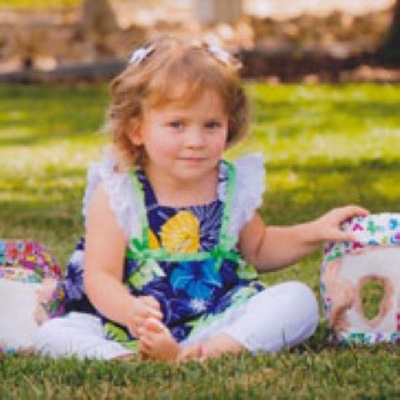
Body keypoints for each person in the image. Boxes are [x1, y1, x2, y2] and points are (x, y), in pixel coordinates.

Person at [35, 36, 368, 362]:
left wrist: (315, 230)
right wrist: (130, 311)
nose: (196, 140)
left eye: (211, 125)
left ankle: (207, 353)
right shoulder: (119, 191)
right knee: (55, 334)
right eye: (177, 125)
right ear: (136, 129)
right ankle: (127, 356)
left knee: (298, 301)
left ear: (229, 124)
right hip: (128, 324)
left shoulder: (228, 186)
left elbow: (260, 248)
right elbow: (100, 276)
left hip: (216, 318)